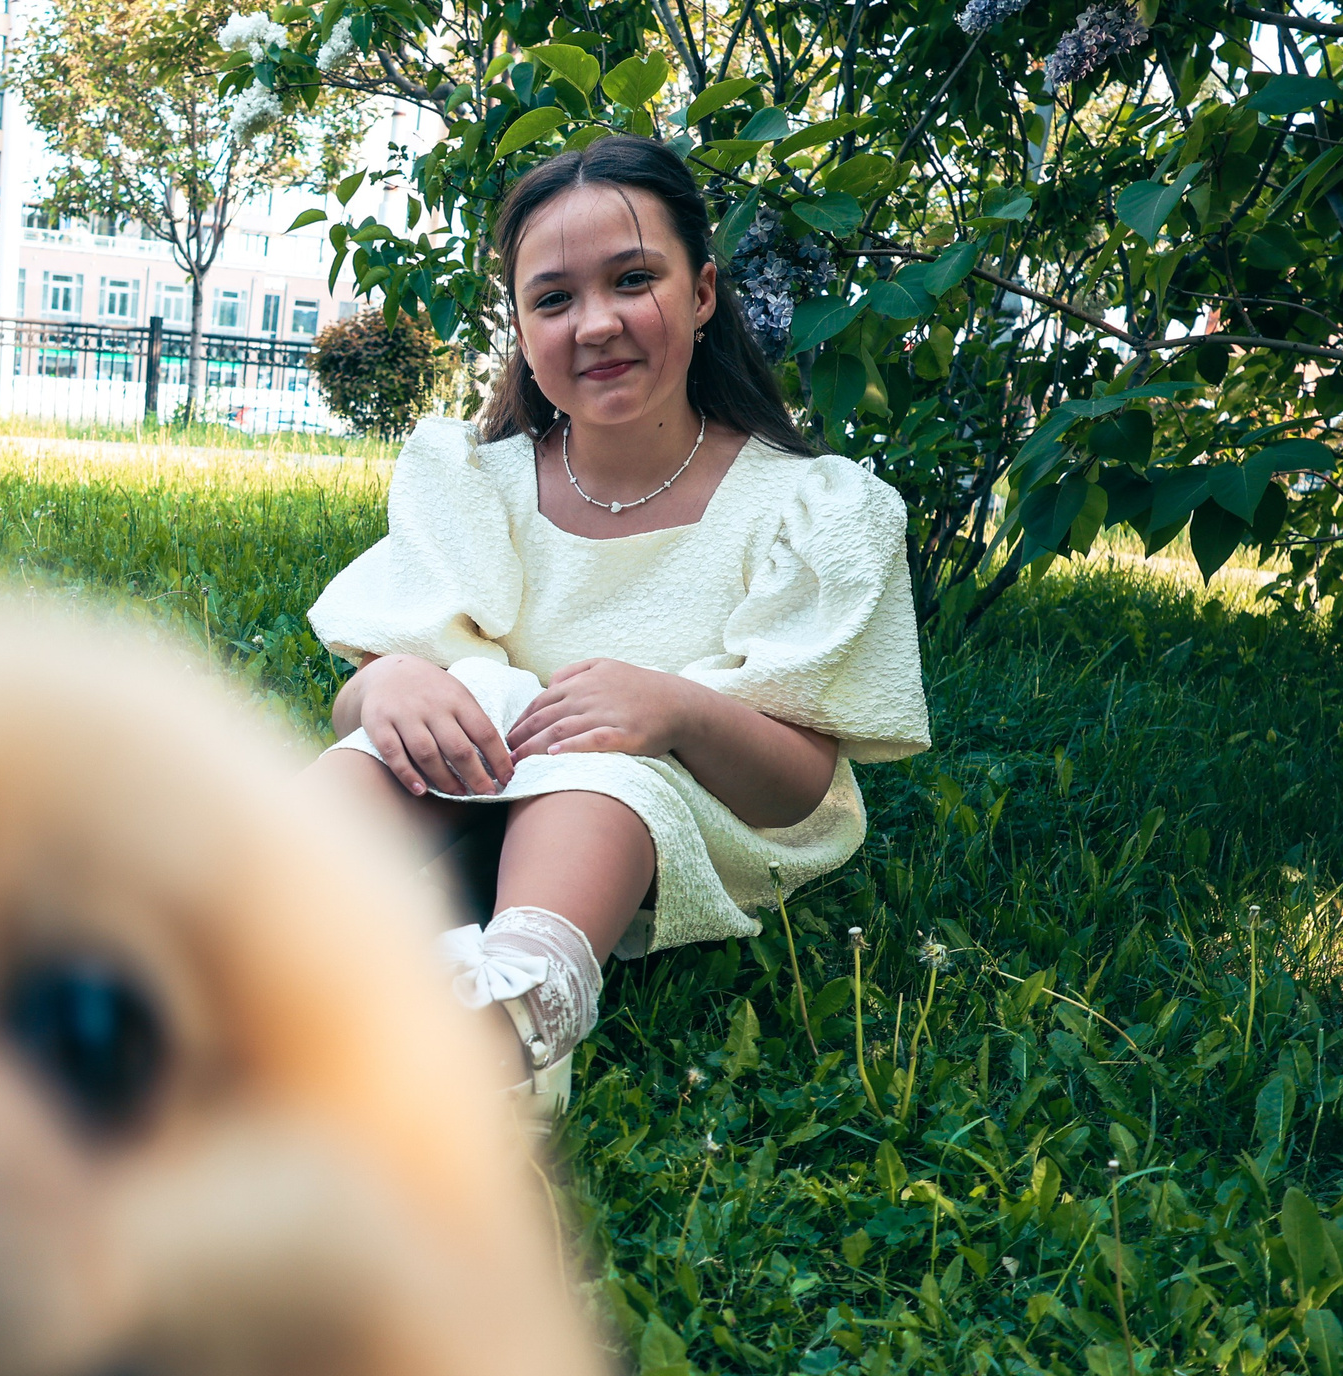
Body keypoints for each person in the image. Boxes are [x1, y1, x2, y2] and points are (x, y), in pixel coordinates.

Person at [305, 137, 932, 1126]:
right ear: (519, 324)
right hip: (476, 778)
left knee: (596, 766)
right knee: (439, 714)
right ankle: (228, 925)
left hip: (674, 808)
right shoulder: (480, 482)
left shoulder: (804, 507)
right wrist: (381, 686)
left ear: (703, 292)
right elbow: (380, 674)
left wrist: (676, 709)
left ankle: (511, 1020)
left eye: (633, 280)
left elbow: (800, 782)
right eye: (552, 300)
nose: (594, 323)